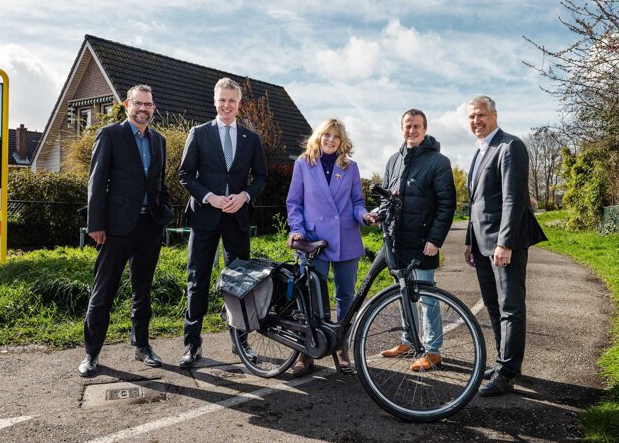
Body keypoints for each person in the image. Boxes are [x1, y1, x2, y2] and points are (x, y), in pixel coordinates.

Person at [80, 84, 174, 378]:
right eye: (138, 103)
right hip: (116, 228)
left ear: (153, 108)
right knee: (103, 292)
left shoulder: (158, 140)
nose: (143, 109)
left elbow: (160, 183)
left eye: (148, 104)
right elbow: (97, 181)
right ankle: (91, 353)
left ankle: (142, 346)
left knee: (142, 292)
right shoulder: (110, 134)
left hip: (149, 226)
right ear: (127, 105)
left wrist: (164, 213)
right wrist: (96, 224)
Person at [178, 77, 268, 368]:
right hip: (205, 216)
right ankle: (192, 345)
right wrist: (209, 197)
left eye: (232, 100)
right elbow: (185, 175)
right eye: (222, 100)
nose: (227, 105)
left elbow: (261, 177)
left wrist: (245, 195)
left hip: (237, 218)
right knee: (198, 280)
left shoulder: (251, 139)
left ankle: (240, 343)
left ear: (239, 104)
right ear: (214, 101)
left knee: (240, 282)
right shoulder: (198, 133)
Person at [464, 95, 547, 397]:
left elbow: (514, 198)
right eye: (472, 117)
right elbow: (477, 203)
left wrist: (506, 243)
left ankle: (507, 373)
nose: (476, 121)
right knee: (493, 305)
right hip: (481, 244)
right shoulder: (479, 151)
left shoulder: (510, 146)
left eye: (481, 115)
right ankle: (504, 362)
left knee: (510, 307)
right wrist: (470, 241)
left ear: (494, 115)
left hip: (503, 244)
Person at [285, 118, 371, 377]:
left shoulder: (350, 167)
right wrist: (297, 229)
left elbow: (357, 201)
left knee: (346, 297)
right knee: (311, 298)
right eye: (327, 135)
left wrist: (364, 216)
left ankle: (341, 347)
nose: (331, 140)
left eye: (336, 136)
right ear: (319, 137)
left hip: (346, 238)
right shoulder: (303, 164)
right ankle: (306, 351)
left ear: (342, 141)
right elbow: (294, 202)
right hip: (314, 239)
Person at [376, 109, 456, 372]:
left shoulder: (438, 161)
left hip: (423, 242)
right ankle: (408, 341)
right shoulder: (393, 160)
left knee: (427, 298)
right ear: (402, 128)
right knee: (404, 295)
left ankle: (433, 351)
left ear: (425, 129)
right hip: (397, 241)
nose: (412, 130)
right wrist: (380, 216)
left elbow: (446, 204)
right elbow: (386, 198)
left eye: (417, 126)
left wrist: (435, 239)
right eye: (408, 126)